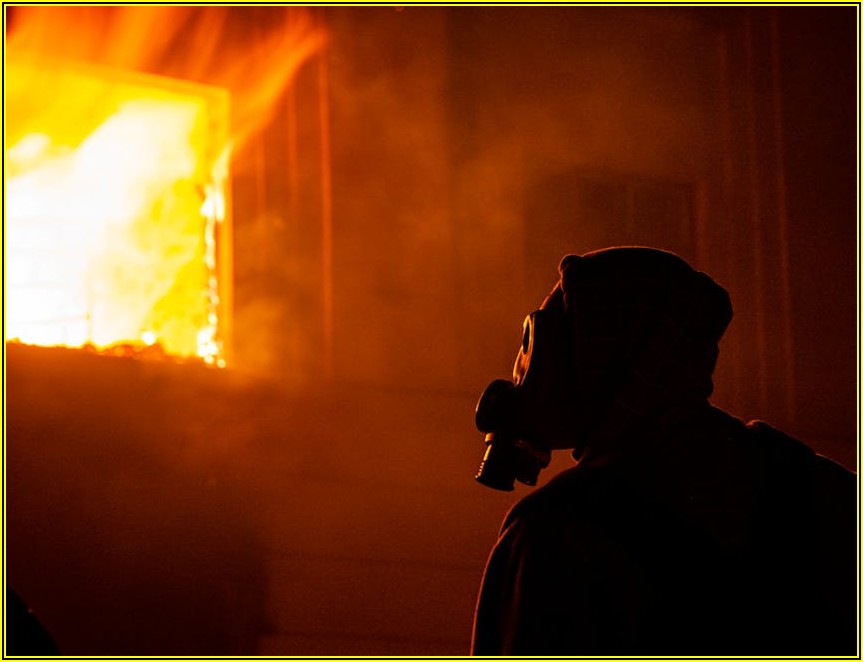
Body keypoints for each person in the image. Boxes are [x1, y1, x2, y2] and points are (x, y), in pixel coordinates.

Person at [470, 247, 857, 656]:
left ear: (599, 356)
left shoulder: (553, 534)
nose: (530, 368)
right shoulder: (822, 492)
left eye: (556, 341)